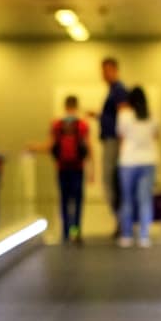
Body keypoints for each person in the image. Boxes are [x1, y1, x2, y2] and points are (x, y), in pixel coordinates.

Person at [116, 87, 159, 248]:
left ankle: (126, 235)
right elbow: (156, 137)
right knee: (145, 200)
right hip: (148, 161)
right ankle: (144, 235)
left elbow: (120, 137)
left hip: (128, 161)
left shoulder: (124, 116)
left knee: (127, 199)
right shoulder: (153, 117)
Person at [48, 96, 90, 244]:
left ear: (65, 106)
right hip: (78, 168)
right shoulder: (82, 125)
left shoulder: (57, 124)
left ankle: (65, 232)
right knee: (77, 200)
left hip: (62, 168)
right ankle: (76, 230)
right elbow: (87, 147)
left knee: (64, 200)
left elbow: (52, 146)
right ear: (76, 107)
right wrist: (92, 170)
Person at [95, 58, 129, 234]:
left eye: (106, 70)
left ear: (114, 70)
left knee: (111, 181)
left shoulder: (119, 91)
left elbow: (123, 117)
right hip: (110, 139)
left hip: (114, 142)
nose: (103, 75)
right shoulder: (112, 91)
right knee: (111, 182)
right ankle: (120, 220)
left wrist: (122, 144)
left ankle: (122, 220)